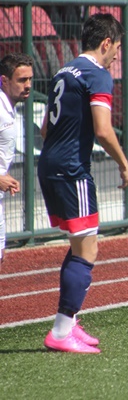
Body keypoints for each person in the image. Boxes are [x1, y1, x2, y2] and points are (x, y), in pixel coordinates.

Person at [39, 13, 128, 354]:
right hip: (72, 170)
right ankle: (61, 332)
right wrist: (124, 165)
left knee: (79, 245)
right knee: (88, 249)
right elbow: (103, 131)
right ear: (106, 43)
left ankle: (69, 322)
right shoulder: (98, 74)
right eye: (118, 48)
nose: (117, 56)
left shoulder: (63, 71)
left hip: (48, 164)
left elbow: (45, 129)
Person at [0, 53, 33, 271]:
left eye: (30, 79)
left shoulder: (9, 109)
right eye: (22, 80)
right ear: (4, 81)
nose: (28, 85)